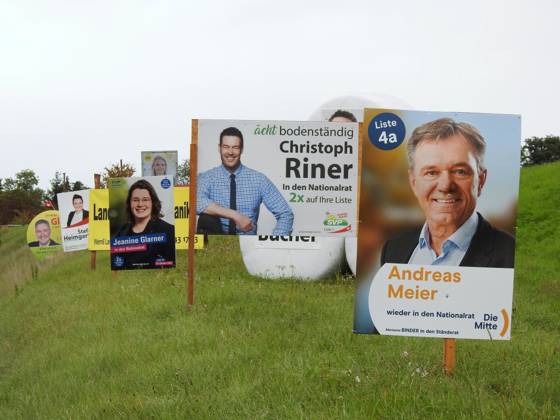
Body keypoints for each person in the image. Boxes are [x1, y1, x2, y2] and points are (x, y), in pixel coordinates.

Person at [380, 118, 515, 268]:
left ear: (481, 181)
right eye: (431, 172)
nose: (445, 186)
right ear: (413, 182)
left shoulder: (510, 254)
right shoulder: (393, 249)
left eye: (460, 172)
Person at [196, 127, 294, 235]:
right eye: (226, 147)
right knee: (206, 219)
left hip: (247, 246)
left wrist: (274, 244)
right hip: (214, 245)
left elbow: (285, 213)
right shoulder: (206, 177)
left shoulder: (259, 180)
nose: (230, 152)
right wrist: (235, 215)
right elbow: (195, 202)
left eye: (235, 147)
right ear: (219, 148)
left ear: (241, 149)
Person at [112, 179, 175, 269]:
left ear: (153, 202)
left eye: (145, 200)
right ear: (129, 203)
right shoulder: (122, 231)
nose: (140, 204)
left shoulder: (168, 230)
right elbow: (116, 261)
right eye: (135, 200)